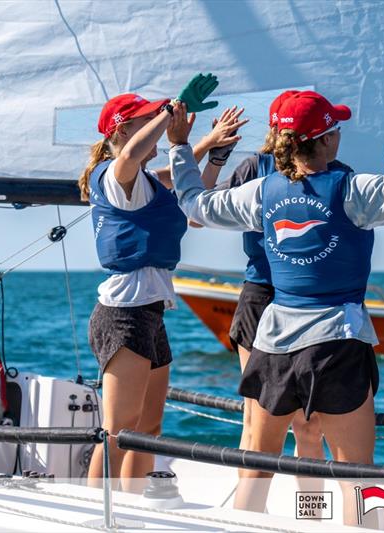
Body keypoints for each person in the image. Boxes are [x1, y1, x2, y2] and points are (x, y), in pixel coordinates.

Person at [166, 69, 384, 524]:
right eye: (335, 128)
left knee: (257, 470)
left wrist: (180, 145)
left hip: (274, 341)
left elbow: (193, 204)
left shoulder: (261, 191)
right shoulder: (351, 190)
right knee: (357, 479)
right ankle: (320, 519)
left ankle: (303, 518)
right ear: (326, 141)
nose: (340, 134)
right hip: (337, 344)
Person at [80, 74, 232, 488]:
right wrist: (170, 112)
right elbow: (130, 154)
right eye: (148, 119)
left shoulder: (145, 181)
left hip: (149, 311)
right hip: (123, 314)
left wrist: (210, 147)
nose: (159, 125)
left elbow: (175, 179)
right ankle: (96, 516)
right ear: (122, 129)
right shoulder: (116, 174)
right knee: (116, 431)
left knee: (148, 427)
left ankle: (132, 506)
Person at [204, 90, 331, 469]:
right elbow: (199, 212)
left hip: (311, 301)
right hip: (262, 297)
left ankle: (312, 517)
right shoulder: (255, 170)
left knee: (311, 426)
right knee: (258, 418)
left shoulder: (330, 170)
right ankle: (250, 516)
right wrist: (217, 155)